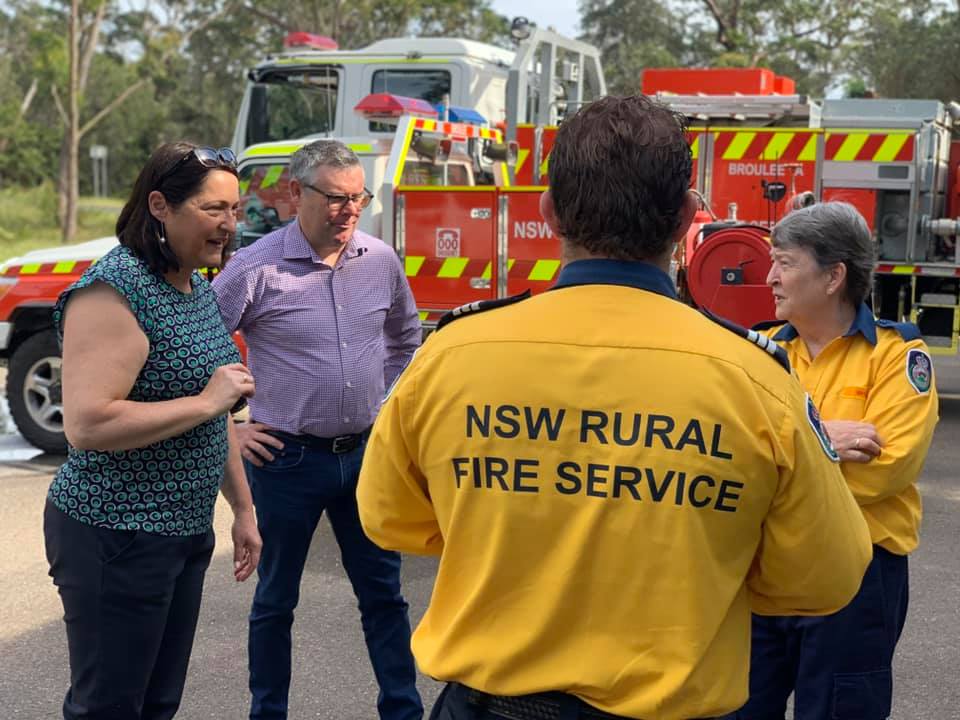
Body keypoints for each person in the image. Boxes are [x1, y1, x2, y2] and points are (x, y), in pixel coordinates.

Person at [356, 95, 874, 720]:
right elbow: (825, 576)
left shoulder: (452, 353)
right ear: (687, 218)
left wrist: (502, 525)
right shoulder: (757, 378)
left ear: (547, 212)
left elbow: (389, 518)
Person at [45, 141, 263, 720]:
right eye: (214, 210)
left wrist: (242, 509)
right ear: (161, 205)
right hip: (115, 533)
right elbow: (88, 424)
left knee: (157, 703)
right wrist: (206, 400)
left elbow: (215, 416)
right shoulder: (114, 289)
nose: (229, 225)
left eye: (236, 209)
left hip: (181, 532)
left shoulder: (194, 283)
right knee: (110, 707)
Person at [211, 139, 423, 720]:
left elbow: (406, 341)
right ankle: (268, 712)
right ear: (293, 194)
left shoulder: (380, 260)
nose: (350, 210)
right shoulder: (254, 267)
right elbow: (195, 352)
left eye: (358, 197)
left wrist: (383, 407)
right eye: (334, 198)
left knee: (384, 597)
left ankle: (403, 712)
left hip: (364, 459)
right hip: (286, 462)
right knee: (276, 601)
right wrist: (232, 430)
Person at [727, 202, 939, 720]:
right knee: (737, 707)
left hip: (858, 576)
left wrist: (779, 455)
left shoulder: (896, 356)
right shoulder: (762, 354)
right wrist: (824, 438)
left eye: (785, 262)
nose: (770, 278)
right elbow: (728, 459)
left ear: (833, 276)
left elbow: (886, 468)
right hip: (764, 572)